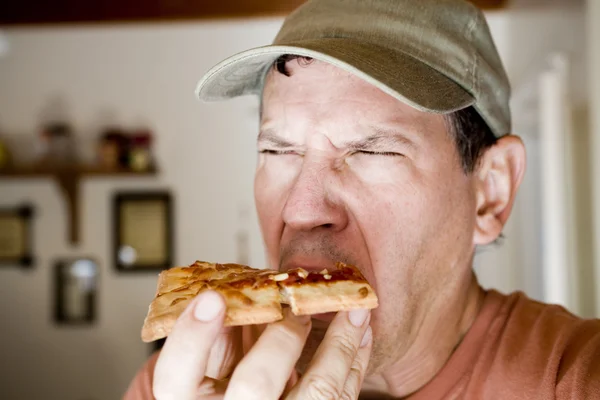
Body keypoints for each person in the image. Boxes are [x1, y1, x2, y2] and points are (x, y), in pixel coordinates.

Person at [124, 0, 600, 398]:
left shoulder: (574, 379)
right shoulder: (185, 382)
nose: (301, 211)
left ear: (489, 194)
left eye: (373, 150)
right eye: (278, 150)